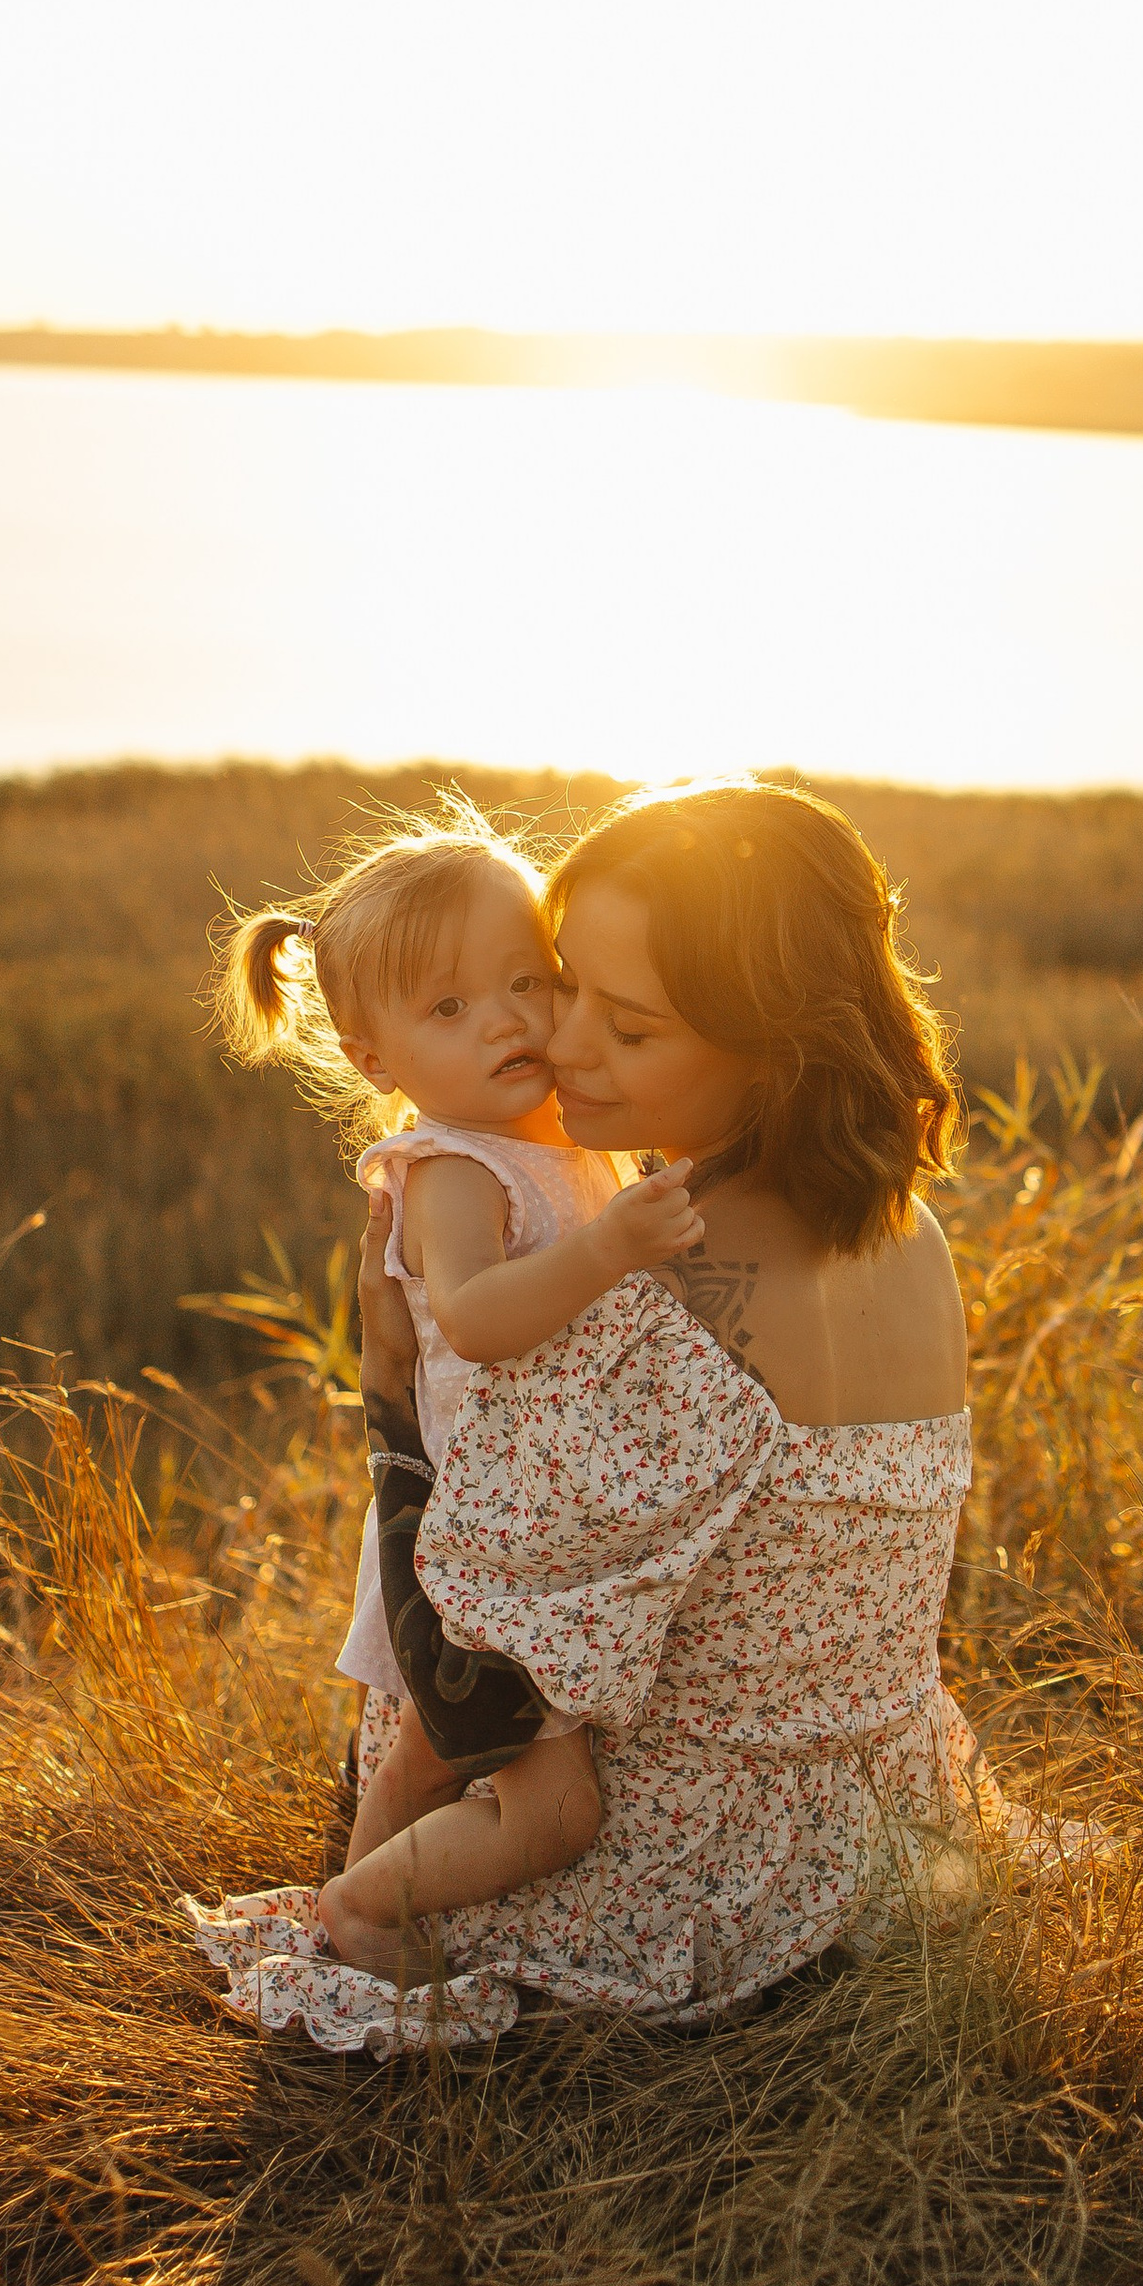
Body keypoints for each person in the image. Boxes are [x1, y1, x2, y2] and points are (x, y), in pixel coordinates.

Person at [188, 774, 984, 2054]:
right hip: (875, 1834)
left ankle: (358, 1907)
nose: (558, 1048)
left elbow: (478, 1654)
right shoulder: (910, 1230)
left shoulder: (651, 1289)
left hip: (675, 1864)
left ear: (769, 1039)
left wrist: (390, 1397)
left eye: (628, 1027)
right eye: (566, 985)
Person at [210, 801, 708, 1957]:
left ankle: (351, 1891)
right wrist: (609, 1248)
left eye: (528, 980)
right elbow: (479, 1321)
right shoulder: (451, 1167)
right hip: (494, 1533)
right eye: (450, 1007)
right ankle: (366, 1908)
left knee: (433, 1746)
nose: (508, 1021)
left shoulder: (562, 1136)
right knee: (555, 1808)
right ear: (371, 1056)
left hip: (541, 1518)